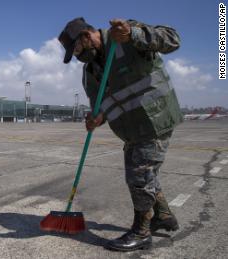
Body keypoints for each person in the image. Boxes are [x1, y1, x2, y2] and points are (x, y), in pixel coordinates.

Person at [59, 17, 183, 251]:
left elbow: (173, 39)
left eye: (76, 49)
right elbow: (100, 105)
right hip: (130, 130)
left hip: (155, 120)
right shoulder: (90, 71)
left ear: (86, 36)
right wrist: (96, 118)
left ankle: (142, 232)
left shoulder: (124, 36)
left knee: (138, 176)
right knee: (144, 174)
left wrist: (134, 35)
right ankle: (164, 216)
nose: (77, 57)